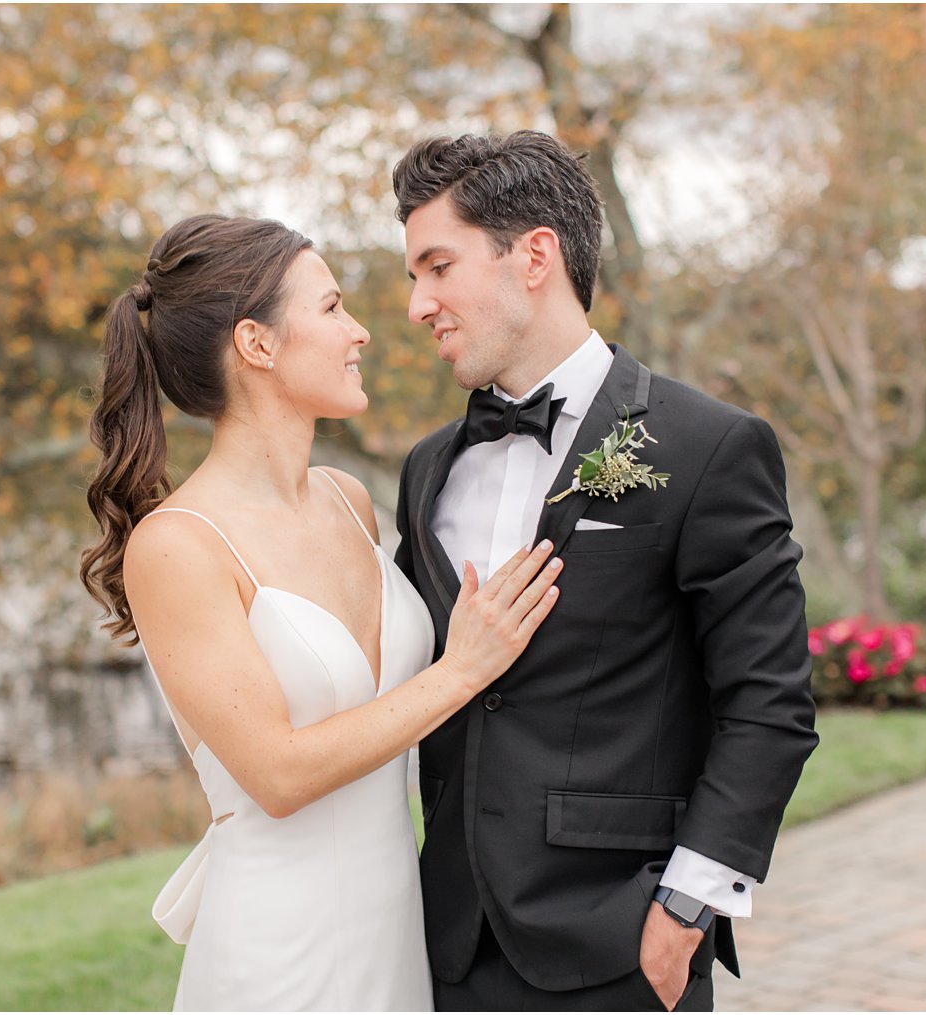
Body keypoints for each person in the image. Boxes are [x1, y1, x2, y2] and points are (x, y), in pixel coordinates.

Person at [80, 213, 563, 1012]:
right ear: (257, 343)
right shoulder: (178, 546)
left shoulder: (349, 500)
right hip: (279, 948)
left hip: (397, 928)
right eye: (333, 307)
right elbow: (278, 772)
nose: (363, 331)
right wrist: (464, 669)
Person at [391, 131, 820, 1011]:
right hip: (447, 947)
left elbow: (769, 702)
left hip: (622, 946)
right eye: (412, 277)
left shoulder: (708, 446)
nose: (417, 304)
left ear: (535, 255)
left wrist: (685, 910)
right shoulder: (426, 469)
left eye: (437, 266)